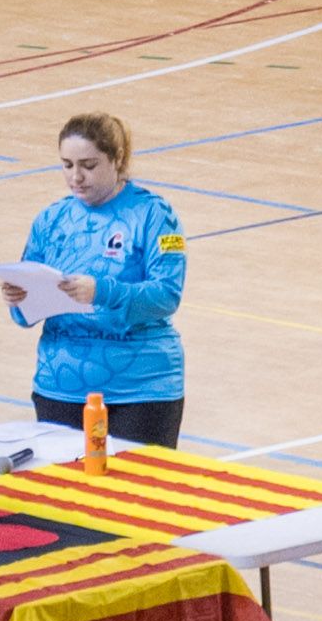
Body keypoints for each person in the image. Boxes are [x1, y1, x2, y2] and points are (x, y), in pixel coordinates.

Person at [14, 112, 191, 444]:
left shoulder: (155, 214)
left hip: (139, 390)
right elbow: (25, 313)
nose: (76, 177)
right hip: (60, 386)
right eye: (67, 165)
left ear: (117, 159)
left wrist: (101, 292)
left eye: (89, 165)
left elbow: (167, 295)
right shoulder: (51, 220)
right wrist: (20, 300)